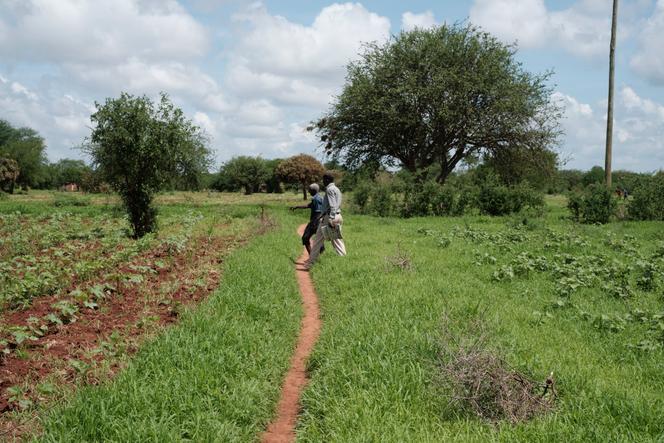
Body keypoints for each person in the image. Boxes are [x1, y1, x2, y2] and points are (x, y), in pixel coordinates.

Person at [303, 172, 346, 270]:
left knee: (317, 241)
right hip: (338, 216)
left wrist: (330, 218)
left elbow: (333, 205)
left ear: (327, 180)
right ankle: (344, 261)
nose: (322, 182)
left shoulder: (329, 189)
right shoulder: (337, 189)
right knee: (337, 241)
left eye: (323, 179)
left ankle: (310, 264)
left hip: (330, 218)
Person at [290, 183, 325, 255]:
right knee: (318, 238)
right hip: (321, 221)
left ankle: (312, 257)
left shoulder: (315, 199)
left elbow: (317, 212)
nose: (309, 192)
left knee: (305, 238)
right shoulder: (320, 198)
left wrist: (314, 222)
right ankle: (319, 253)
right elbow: (308, 206)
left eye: (309, 190)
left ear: (313, 190)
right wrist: (297, 207)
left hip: (315, 221)